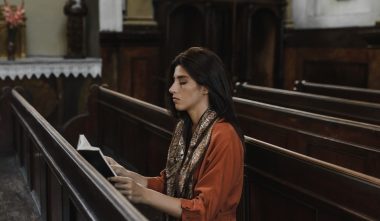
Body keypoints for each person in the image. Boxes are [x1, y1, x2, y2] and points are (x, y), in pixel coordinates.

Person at [107, 47, 244, 220]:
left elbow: (203, 210)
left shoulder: (225, 136)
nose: (172, 89)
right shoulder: (184, 127)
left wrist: (143, 194)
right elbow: (171, 184)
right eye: (173, 81)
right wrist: (130, 176)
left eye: (182, 82)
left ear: (206, 87)